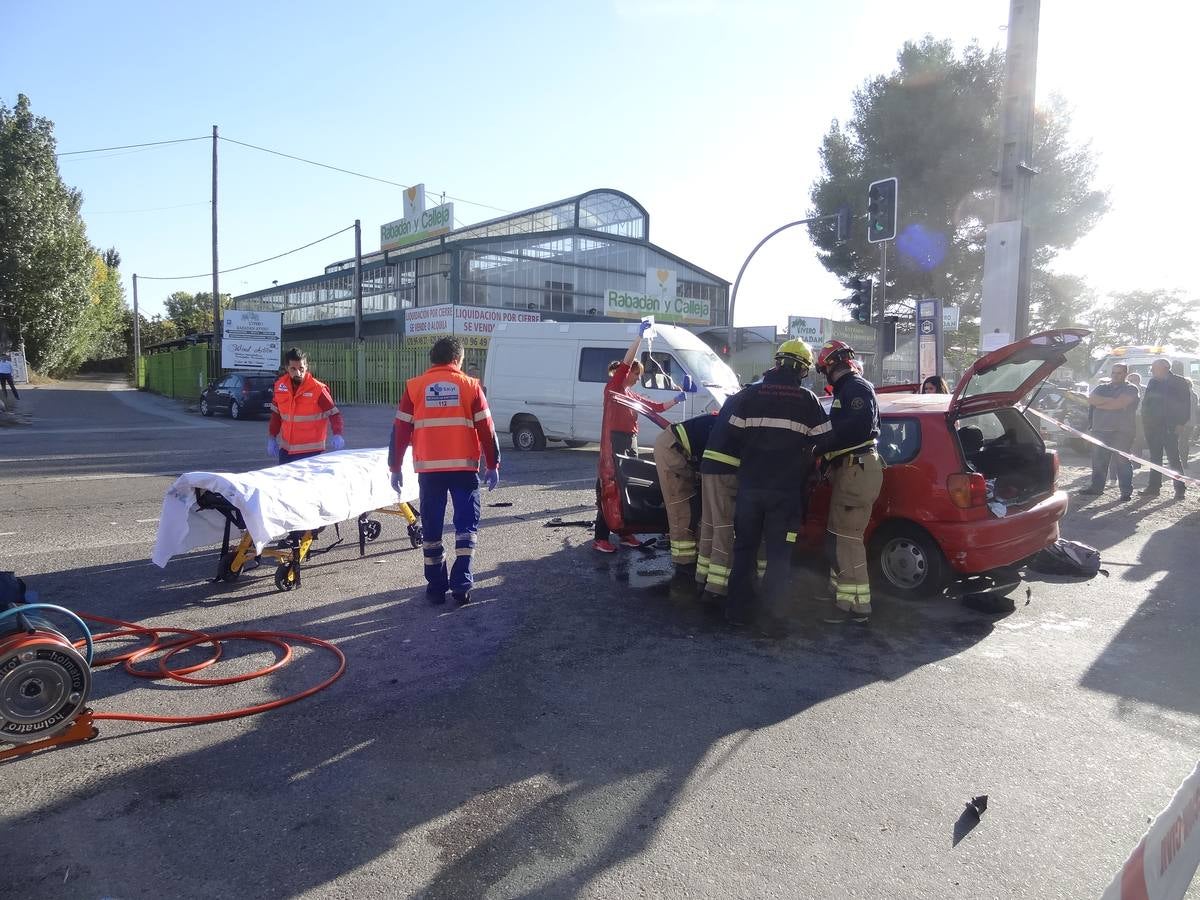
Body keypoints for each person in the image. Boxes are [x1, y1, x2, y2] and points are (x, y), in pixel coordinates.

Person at [724, 340, 830, 626]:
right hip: (785, 492)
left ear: (778, 362)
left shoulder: (750, 394)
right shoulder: (807, 400)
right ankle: (772, 619)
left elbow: (731, 434)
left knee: (744, 549)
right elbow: (823, 440)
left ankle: (736, 613)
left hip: (749, 488)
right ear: (803, 369)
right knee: (779, 556)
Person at [389, 336, 500, 605]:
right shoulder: (470, 386)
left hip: (429, 471)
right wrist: (493, 464)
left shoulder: (414, 387)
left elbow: (400, 431)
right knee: (465, 526)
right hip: (463, 469)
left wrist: (395, 466)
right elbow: (487, 429)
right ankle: (461, 585)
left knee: (432, 530)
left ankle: (436, 588)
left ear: (432, 359)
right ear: (458, 359)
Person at [593, 324, 684, 553]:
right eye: (637, 374)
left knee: (625, 488)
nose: (638, 378)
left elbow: (656, 408)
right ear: (629, 372)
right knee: (609, 488)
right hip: (614, 442)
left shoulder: (632, 395)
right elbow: (626, 361)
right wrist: (639, 338)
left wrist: (678, 399)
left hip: (628, 442)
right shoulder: (614, 386)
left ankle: (625, 533)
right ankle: (600, 538)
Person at [812, 340, 883, 623]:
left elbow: (855, 428)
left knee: (847, 540)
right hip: (852, 469)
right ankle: (840, 593)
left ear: (829, 366)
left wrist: (819, 445)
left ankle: (853, 606)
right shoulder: (849, 389)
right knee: (837, 535)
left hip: (857, 469)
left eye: (823, 370)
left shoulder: (856, 389)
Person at [653, 411, 719, 572]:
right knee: (681, 508)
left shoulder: (722, 423)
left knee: (694, 506)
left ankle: (694, 554)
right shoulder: (723, 430)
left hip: (682, 449)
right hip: (672, 449)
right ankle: (684, 562)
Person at [695, 393, 743, 601]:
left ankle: (701, 577)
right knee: (724, 527)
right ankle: (717, 587)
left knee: (709, 524)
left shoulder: (737, 400)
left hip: (710, 466)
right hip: (727, 469)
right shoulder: (755, 404)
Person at [267, 348, 345, 464]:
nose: (298, 373)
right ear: (287, 368)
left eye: (301, 369)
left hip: (312, 453)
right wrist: (272, 437)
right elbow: (276, 416)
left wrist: (337, 434)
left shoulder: (318, 389)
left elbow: (334, 414)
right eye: (293, 369)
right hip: (286, 452)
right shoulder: (279, 387)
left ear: (306, 367)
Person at [1079, 364, 1139, 501]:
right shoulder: (1102, 387)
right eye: (1113, 373)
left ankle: (1125, 492)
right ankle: (1096, 488)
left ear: (1125, 374)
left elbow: (1118, 405)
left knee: (1122, 461)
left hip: (1122, 432)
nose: (1115, 375)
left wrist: (1102, 403)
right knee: (1098, 461)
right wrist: (1110, 401)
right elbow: (1091, 400)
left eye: (1118, 373)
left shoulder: (1131, 389)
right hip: (1099, 430)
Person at [1140, 359, 1191, 499]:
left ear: (1165, 368)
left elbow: (1185, 404)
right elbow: (1146, 403)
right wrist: (1145, 421)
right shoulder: (1153, 382)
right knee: (1155, 458)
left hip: (1171, 426)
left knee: (1173, 458)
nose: (1152, 370)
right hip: (1153, 426)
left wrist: (1181, 423)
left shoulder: (1179, 382)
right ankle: (1153, 487)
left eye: (1154, 368)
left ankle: (1180, 488)